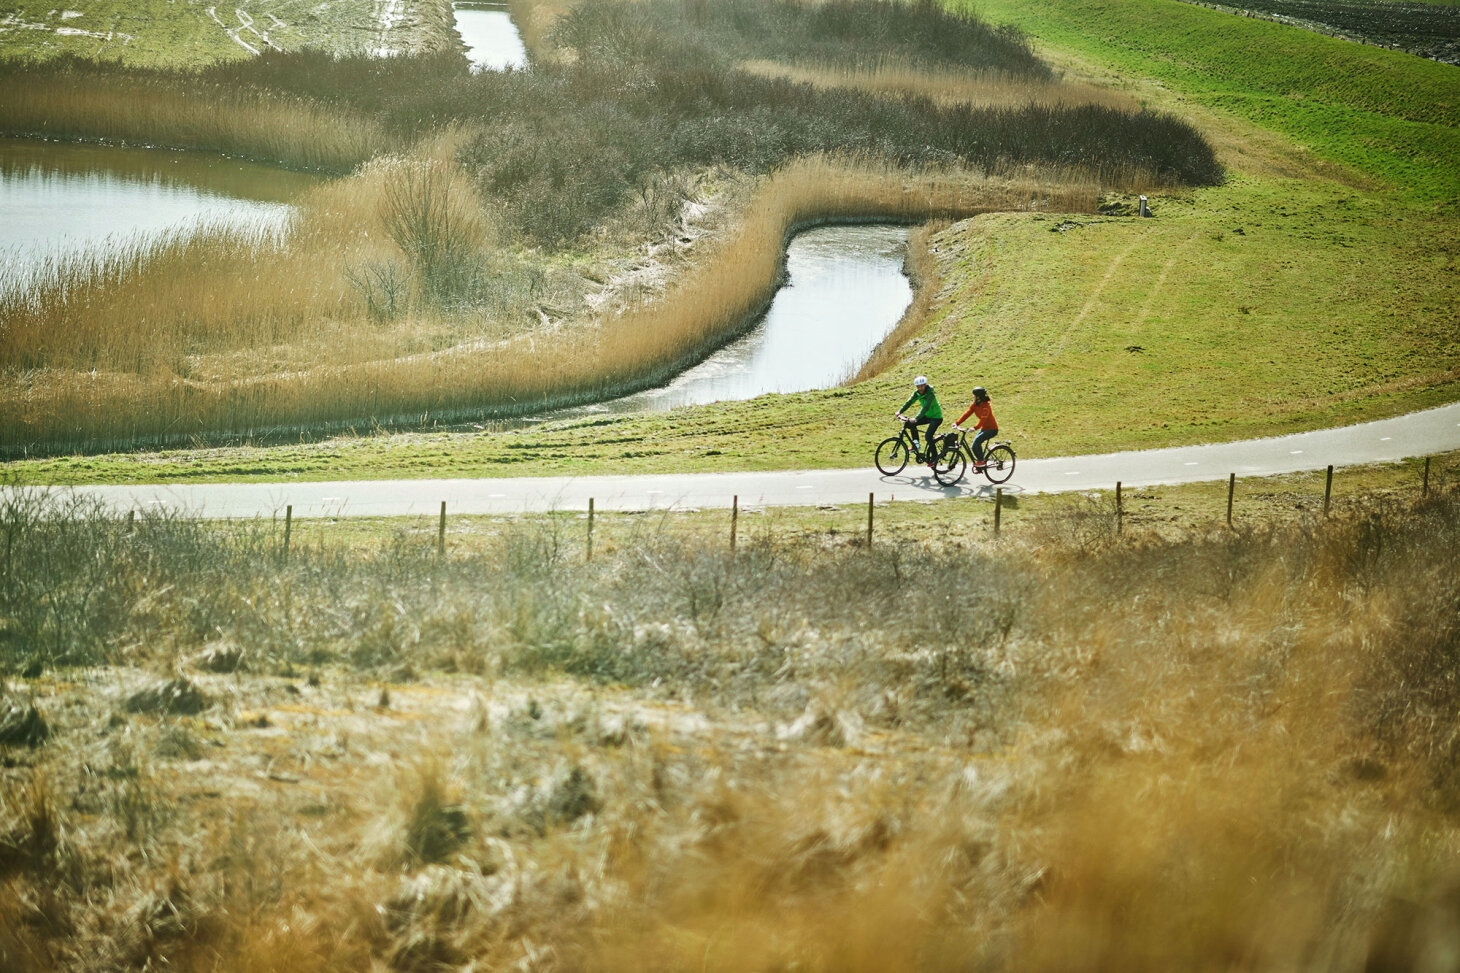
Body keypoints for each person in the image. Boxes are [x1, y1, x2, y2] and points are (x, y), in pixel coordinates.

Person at [895, 376, 943, 467]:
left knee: (928, 436)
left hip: (936, 417)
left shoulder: (930, 394)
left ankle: (935, 458)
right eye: (918, 386)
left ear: (925, 385)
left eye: (922, 386)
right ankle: (916, 444)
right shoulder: (917, 393)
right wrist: (900, 411)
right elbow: (909, 402)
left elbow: (925, 408)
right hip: (927, 416)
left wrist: (916, 418)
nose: (920, 388)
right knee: (909, 423)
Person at [953, 386, 998, 469]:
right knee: (974, 445)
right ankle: (980, 462)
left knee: (977, 442)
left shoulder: (986, 407)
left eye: (974, 395)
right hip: (984, 428)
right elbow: (967, 413)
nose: (973, 397)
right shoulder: (975, 405)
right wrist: (957, 423)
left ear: (979, 397)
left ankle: (981, 461)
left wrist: (975, 428)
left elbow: (982, 421)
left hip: (992, 429)